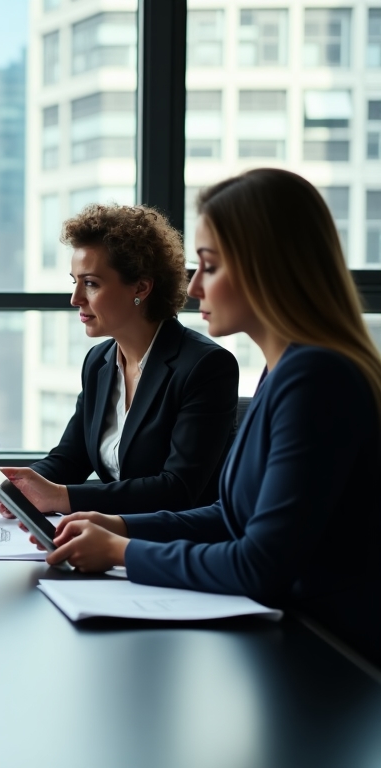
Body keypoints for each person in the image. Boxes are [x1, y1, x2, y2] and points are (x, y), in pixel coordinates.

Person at [39, 169, 381, 664]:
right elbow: (231, 516)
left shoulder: (316, 378)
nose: (194, 286)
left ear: (268, 269)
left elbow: (259, 562)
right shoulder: (281, 370)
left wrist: (120, 552)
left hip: (333, 657)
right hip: (289, 639)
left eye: (210, 267)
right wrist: (119, 524)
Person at [0, 204, 238, 517]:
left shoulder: (205, 366)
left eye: (90, 283)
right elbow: (70, 459)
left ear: (141, 288)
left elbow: (179, 489)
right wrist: (18, 485)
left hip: (175, 547)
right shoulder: (99, 362)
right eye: (74, 281)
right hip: (110, 539)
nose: (75, 298)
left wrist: (62, 498)